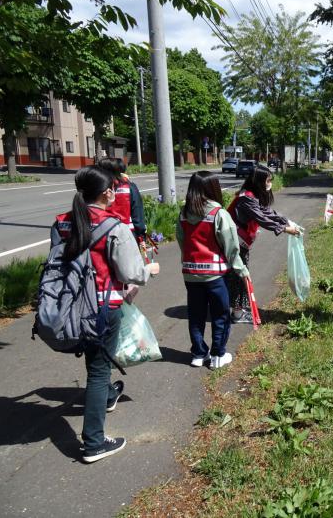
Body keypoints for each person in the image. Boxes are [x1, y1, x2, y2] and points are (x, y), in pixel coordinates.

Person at [53, 165, 160, 463]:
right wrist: (149, 269)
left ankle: (108, 396)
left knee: (96, 367)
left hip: (67, 309)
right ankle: (94, 443)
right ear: (107, 192)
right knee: (98, 372)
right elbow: (131, 273)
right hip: (101, 309)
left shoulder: (62, 223)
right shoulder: (114, 227)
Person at [176, 171, 249, 369]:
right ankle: (218, 355)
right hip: (215, 275)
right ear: (213, 189)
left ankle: (198, 354)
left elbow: (182, 242)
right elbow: (231, 247)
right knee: (220, 315)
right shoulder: (218, 214)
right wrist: (241, 270)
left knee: (196, 315)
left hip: (191, 274)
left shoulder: (183, 214)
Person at [225, 165, 300, 323]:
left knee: (240, 275)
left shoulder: (252, 196)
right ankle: (236, 314)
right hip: (234, 242)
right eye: (267, 180)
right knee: (238, 276)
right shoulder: (246, 198)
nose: (269, 183)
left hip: (239, 241)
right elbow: (262, 218)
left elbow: (266, 212)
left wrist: (285, 220)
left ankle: (237, 311)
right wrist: (285, 228)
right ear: (259, 181)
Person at [97, 158, 147, 242]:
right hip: (127, 234)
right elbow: (138, 214)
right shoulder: (129, 187)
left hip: (101, 234)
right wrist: (141, 236)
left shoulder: (98, 188)